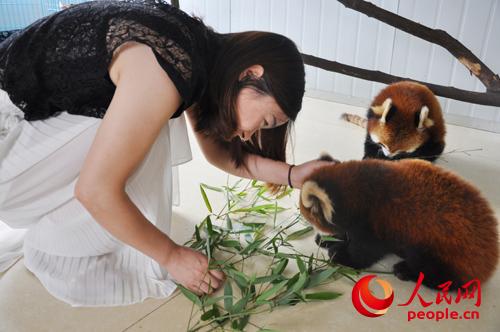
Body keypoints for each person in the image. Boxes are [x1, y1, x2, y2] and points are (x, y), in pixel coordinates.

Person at [0, 0, 333, 306]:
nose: (251, 133)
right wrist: (171, 256)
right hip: (6, 137)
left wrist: (293, 175)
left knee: (146, 118)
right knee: (146, 121)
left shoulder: (196, 50)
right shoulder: (165, 69)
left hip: (25, 120)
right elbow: (95, 190)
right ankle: (62, 245)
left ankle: (91, 228)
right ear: (250, 74)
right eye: (266, 120)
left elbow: (220, 155)